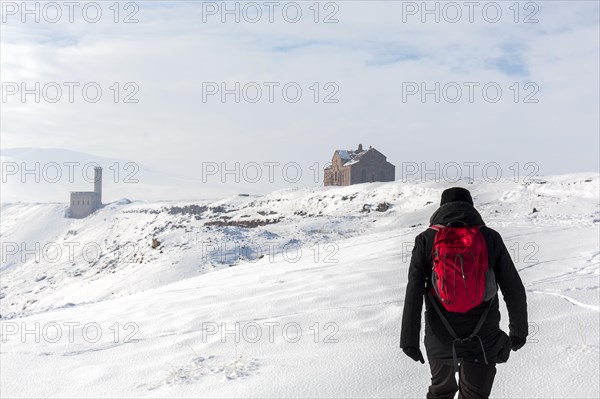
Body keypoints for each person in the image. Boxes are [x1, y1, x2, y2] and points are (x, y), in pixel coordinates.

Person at [400, 187, 528, 399]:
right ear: (471, 208)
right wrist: (519, 331)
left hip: (439, 335)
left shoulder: (426, 240)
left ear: (441, 208)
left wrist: (409, 340)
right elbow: (513, 287)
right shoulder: (489, 238)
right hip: (483, 337)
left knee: (441, 392)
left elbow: (414, 289)